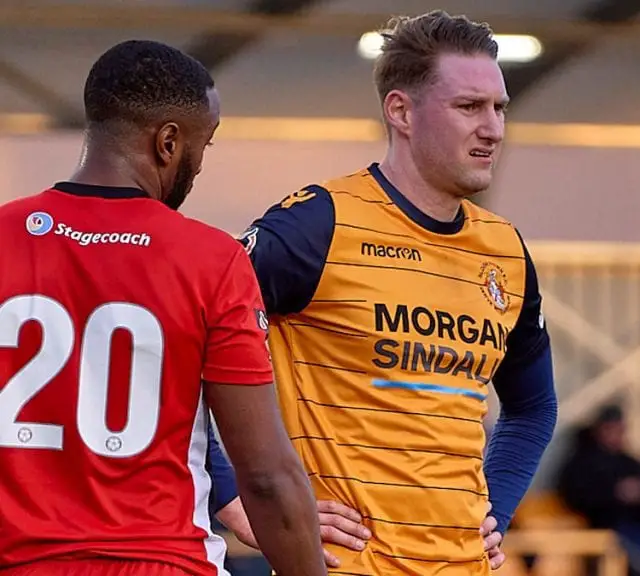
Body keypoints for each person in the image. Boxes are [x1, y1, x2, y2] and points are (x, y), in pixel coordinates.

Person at [234, 10, 558, 575]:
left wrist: (497, 509)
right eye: (469, 107)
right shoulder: (316, 226)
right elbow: (176, 338)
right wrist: (235, 499)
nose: (494, 128)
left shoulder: (505, 251)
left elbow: (534, 407)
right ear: (401, 111)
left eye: (499, 108)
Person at [0, 40, 325, 576]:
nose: (198, 166)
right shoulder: (211, 260)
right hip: (160, 562)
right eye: (205, 144)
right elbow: (266, 476)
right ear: (168, 142)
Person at [556, 405, 640, 576]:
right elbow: (576, 497)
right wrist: (616, 494)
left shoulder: (632, 463)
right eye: (611, 429)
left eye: (620, 430)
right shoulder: (582, 463)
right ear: (599, 430)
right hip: (608, 529)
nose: (616, 435)